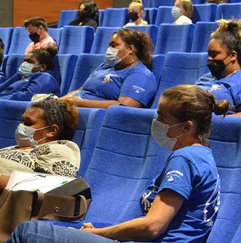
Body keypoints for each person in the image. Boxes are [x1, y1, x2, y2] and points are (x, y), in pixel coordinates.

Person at [7, 85, 224, 243]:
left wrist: (99, 234)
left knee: (27, 233)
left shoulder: (185, 159)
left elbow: (153, 227)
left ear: (186, 127)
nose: (156, 123)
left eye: (162, 118)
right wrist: (103, 229)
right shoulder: (201, 155)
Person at [62, 28, 157, 109]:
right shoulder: (106, 65)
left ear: (130, 49)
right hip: (71, 108)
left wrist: (80, 103)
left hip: (87, 115)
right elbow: (81, 91)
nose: (109, 49)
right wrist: (58, 101)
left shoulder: (140, 75)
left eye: (114, 45)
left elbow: (123, 107)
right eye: (109, 46)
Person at [0, 98, 81, 189]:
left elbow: (46, 187)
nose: (21, 126)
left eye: (28, 123)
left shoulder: (61, 150)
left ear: (52, 130)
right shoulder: (15, 148)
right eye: (22, 122)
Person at [194, 19, 241, 117]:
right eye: (209, 55)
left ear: (232, 55)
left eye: (214, 54)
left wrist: (211, 122)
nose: (210, 59)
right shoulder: (205, 78)